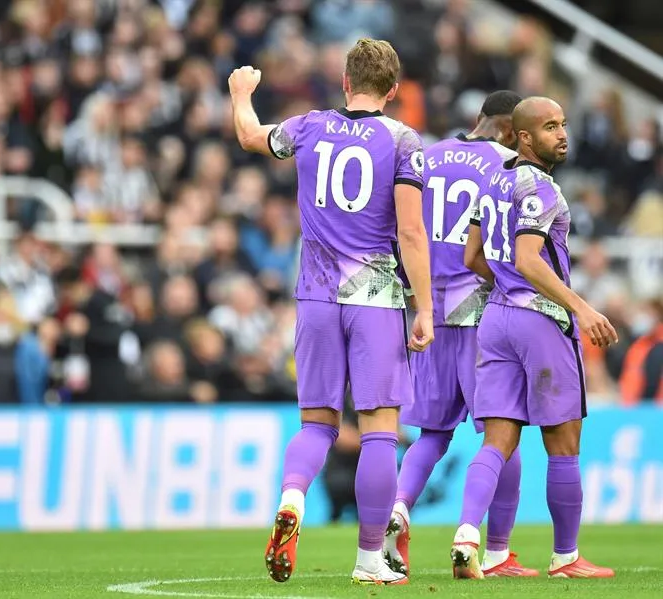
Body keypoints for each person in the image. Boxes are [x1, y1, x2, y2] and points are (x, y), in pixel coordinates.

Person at [228, 38, 434, 586]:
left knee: (317, 424)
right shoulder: (403, 140)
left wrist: (240, 92)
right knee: (380, 432)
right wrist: (426, 306)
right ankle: (369, 557)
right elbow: (412, 231)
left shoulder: (310, 125)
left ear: (345, 82)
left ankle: (292, 498)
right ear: (393, 91)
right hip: (375, 300)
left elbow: (250, 136)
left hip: (315, 298)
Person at [454, 96, 618, 579]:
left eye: (563, 124)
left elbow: (471, 258)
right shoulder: (542, 188)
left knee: (497, 443)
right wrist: (581, 308)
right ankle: (566, 557)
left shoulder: (492, 181)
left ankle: (469, 536)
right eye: (550, 127)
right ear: (523, 136)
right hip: (541, 321)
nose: (562, 134)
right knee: (563, 444)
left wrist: (506, 286)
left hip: (496, 320)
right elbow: (528, 259)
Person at [385, 91, 539, 578]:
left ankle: (399, 508)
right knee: (502, 433)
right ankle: (492, 551)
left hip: (430, 310)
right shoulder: (507, 165)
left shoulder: (425, 156)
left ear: (477, 119)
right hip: (483, 314)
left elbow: (400, 228)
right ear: (512, 129)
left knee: (432, 433)